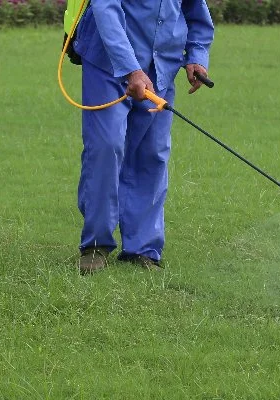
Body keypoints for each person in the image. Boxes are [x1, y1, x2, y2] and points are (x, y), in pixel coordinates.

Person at [71, 0, 215, 274]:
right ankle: (96, 245)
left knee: (152, 153)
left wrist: (197, 55)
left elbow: (195, 10)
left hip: (161, 64)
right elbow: (105, 9)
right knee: (106, 146)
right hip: (107, 62)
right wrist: (131, 69)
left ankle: (142, 249)